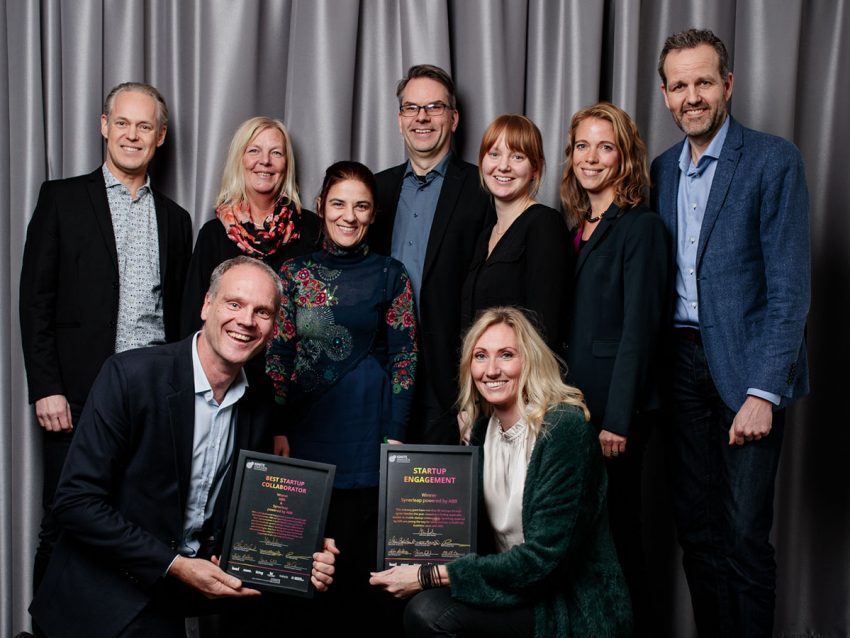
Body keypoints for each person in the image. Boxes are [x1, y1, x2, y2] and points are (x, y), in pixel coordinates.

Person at [29, 257, 338, 637]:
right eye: (234, 304)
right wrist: (175, 564)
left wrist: (298, 547)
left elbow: (239, 515)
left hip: (184, 588)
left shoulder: (260, 399)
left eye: (262, 312)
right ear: (207, 305)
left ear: (273, 327)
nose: (246, 321)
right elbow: (75, 503)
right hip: (105, 591)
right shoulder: (130, 376)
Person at [650, 28, 810, 637]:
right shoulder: (662, 172)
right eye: (679, 85)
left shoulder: (774, 160)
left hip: (746, 372)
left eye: (703, 82)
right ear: (666, 95)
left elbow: (790, 288)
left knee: (743, 536)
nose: (692, 96)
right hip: (680, 371)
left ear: (728, 85)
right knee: (697, 532)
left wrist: (764, 391)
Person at [18, 82, 193, 618]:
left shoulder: (176, 219)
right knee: (65, 516)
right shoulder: (62, 199)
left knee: (138, 521)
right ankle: (46, 627)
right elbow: (34, 301)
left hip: (149, 397)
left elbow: (182, 321)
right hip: (75, 393)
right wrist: (47, 387)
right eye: (123, 123)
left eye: (145, 126)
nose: (132, 135)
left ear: (160, 137)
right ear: (104, 126)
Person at [370, 307, 632, 638]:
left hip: (564, 602)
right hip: (511, 587)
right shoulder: (482, 430)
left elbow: (543, 561)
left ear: (530, 361)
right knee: (400, 600)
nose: (491, 370)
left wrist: (426, 574)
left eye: (506, 355)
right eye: (480, 357)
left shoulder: (564, 430)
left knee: (430, 612)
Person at [266, 161, 417, 636]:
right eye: (338, 204)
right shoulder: (292, 274)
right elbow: (277, 355)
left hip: (366, 441)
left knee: (356, 576)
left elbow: (405, 361)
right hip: (304, 439)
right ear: (321, 208)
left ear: (373, 215)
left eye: (361, 206)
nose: (349, 216)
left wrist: (395, 438)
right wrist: (278, 427)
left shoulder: (391, 275)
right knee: (302, 573)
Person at [560, 102, 669, 636]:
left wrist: (619, 419)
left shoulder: (640, 227)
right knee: (588, 538)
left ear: (625, 157)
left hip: (616, 416)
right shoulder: (578, 227)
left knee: (624, 535)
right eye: (582, 145)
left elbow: (639, 331)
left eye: (606, 146)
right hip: (579, 406)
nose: (592, 157)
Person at [370, 64, 490, 445]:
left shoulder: (482, 189)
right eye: (411, 108)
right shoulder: (375, 190)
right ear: (399, 120)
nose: (422, 117)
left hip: (450, 377)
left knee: (437, 501)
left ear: (453, 119)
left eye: (434, 107)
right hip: (381, 371)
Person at [181, 116, 320, 336]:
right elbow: (192, 318)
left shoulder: (312, 229)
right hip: (233, 364)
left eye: (276, 152)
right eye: (254, 150)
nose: (265, 161)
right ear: (240, 160)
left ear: (287, 164)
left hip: (296, 365)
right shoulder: (213, 234)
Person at [461, 114, 573, 355]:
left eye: (517, 156)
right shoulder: (485, 234)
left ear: (535, 168)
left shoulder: (544, 225)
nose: (503, 166)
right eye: (494, 154)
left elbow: (545, 329)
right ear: (482, 163)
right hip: (485, 379)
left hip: (523, 383)